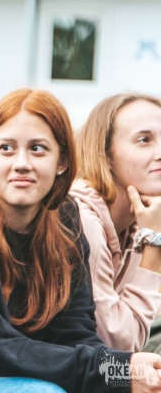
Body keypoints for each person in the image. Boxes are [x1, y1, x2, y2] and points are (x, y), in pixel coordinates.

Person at [0, 87, 161, 392]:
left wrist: (126, 375)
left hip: (20, 369)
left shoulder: (64, 217)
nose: (21, 163)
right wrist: (120, 371)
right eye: (6, 148)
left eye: (38, 149)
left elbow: (76, 335)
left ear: (62, 161)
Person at [70, 93, 161, 352]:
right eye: (144, 140)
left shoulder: (136, 220)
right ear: (105, 154)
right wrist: (154, 243)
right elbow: (115, 346)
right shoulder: (81, 220)